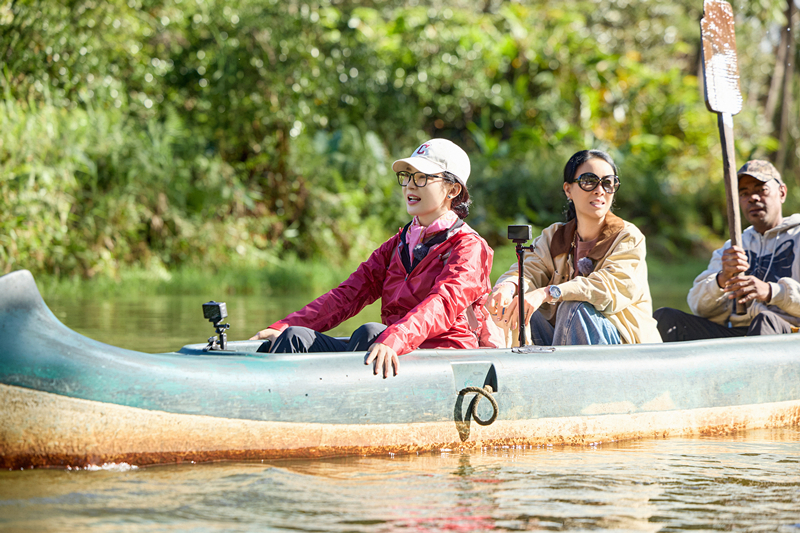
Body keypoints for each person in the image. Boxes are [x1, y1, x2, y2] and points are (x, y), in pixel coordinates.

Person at [250, 139, 495, 378]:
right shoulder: (397, 244)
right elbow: (347, 295)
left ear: (453, 190)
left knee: (370, 333)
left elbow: (441, 305)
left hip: (439, 358)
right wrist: (282, 325)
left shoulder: (469, 247)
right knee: (295, 336)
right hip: (391, 348)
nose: (410, 185)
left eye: (422, 177)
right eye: (406, 176)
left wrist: (394, 338)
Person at [487, 149, 662, 346]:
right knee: (522, 307)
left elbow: (606, 287)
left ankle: (565, 375)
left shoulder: (628, 237)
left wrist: (548, 292)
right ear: (568, 189)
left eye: (608, 183)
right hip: (565, 341)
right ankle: (531, 373)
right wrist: (507, 287)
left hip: (625, 348)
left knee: (574, 306)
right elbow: (528, 270)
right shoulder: (554, 236)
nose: (600, 190)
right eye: (589, 181)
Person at [654, 160, 800, 341]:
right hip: (737, 335)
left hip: (789, 337)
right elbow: (698, 306)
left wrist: (772, 292)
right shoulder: (733, 246)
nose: (752, 198)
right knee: (665, 319)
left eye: (761, 190)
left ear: (782, 192)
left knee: (766, 321)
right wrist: (722, 279)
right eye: (744, 193)